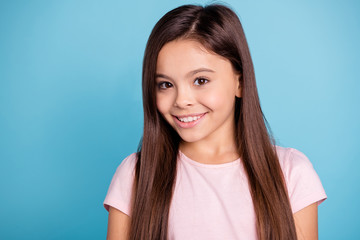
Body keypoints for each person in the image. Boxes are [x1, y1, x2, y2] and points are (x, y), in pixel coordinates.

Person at [103, 4, 327, 240]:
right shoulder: (135, 175)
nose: (182, 100)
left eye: (200, 80)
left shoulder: (291, 173)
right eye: (166, 84)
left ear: (239, 83)